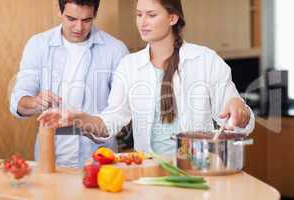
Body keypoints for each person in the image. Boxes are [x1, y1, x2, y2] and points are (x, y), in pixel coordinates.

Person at [38, 0, 255, 155]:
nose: (143, 22)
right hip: (149, 175)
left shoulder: (205, 60)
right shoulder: (129, 66)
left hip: (196, 169)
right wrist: (80, 118)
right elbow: (111, 122)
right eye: (139, 14)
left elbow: (237, 116)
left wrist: (239, 110)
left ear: (172, 17)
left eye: (151, 15)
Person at [10, 0, 129, 167]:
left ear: (95, 13)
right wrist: (34, 102)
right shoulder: (38, 44)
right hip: (50, 158)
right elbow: (18, 102)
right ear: (59, 11)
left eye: (87, 20)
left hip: (99, 160)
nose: (79, 28)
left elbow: (118, 115)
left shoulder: (116, 49)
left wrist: (81, 120)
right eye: (71, 19)